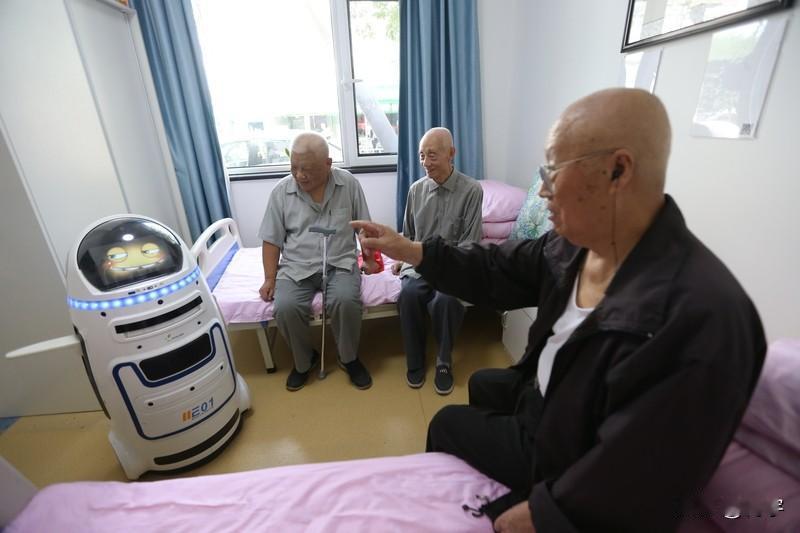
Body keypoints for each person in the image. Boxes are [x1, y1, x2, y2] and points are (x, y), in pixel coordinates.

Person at [352, 88, 766, 532]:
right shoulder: (573, 246)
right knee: (486, 384)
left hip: (570, 448)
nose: (544, 189)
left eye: (553, 169)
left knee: (447, 423)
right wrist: (412, 250)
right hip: (550, 401)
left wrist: (545, 513)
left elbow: (643, 473)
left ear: (618, 170)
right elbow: (495, 267)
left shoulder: (706, 317)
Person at [258, 132, 376, 392]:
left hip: (339, 262)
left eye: (307, 169)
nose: (300, 175)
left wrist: (368, 259)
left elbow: (364, 228)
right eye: (294, 168)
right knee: (285, 307)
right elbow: (271, 239)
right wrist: (269, 278)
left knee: (346, 301)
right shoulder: (281, 192)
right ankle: (304, 361)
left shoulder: (348, 184)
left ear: (328, 164)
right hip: (296, 265)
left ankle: (348, 358)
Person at [395, 127, 483, 395]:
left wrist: (445, 265)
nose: (425, 162)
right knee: (408, 295)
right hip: (420, 264)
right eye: (422, 156)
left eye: (432, 155)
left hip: (454, 266)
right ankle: (415, 358)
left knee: (445, 300)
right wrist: (402, 257)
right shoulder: (416, 190)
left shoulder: (472, 190)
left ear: (451, 153)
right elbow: (408, 234)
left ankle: (444, 360)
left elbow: (471, 242)